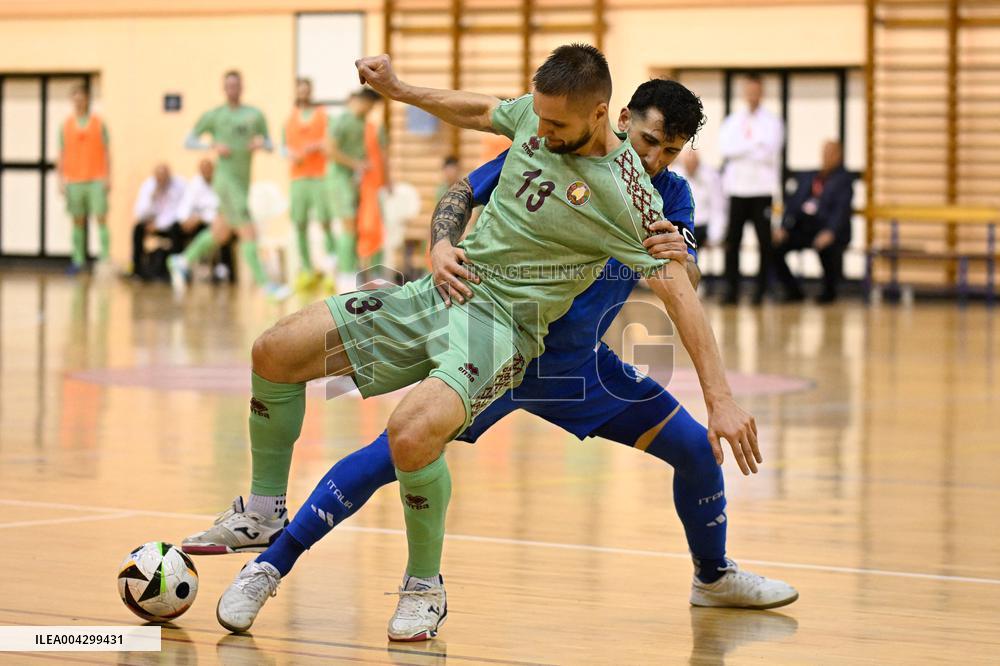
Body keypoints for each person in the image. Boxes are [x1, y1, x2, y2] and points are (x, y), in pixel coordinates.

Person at [198, 45, 789, 640]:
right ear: (619, 117)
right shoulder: (543, 130)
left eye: (670, 148)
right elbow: (470, 154)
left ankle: (712, 577)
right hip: (486, 328)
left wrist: (717, 386)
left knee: (694, 450)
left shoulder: (653, 200)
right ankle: (271, 546)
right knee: (387, 441)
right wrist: (402, 99)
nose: (656, 156)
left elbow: (682, 287)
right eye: (649, 138)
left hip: (575, 367)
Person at [169, 70, 290, 301]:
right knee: (248, 231)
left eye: (236, 85)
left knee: (221, 232)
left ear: (241, 87)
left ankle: (181, 260)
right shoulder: (215, 116)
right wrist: (213, 145)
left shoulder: (254, 115)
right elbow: (189, 141)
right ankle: (266, 286)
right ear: (223, 89)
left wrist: (260, 144)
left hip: (243, 180)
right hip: (225, 181)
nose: (232, 89)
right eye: (228, 86)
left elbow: (269, 143)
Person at [718, 74, 784, 304]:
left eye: (757, 91)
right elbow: (726, 148)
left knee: (764, 242)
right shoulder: (733, 121)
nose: (753, 96)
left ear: (762, 93)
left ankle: (762, 290)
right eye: (749, 91)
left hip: (762, 190)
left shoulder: (772, 122)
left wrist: (743, 148)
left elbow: (769, 151)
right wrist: (753, 146)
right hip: (737, 189)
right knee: (732, 241)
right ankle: (731, 289)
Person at [773, 140, 854, 303]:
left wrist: (830, 232)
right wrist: (783, 227)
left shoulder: (843, 180)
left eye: (831, 153)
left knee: (828, 247)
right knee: (775, 246)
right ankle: (793, 290)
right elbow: (793, 204)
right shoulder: (810, 177)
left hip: (826, 228)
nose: (826, 157)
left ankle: (829, 292)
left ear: (839, 156)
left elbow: (841, 210)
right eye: (824, 152)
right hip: (804, 226)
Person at [326, 87, 383, 291]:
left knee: (359, 227)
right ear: (363, 102)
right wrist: (355, 165)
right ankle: (344, 275)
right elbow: (330, 150)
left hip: (354, 181)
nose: (371, 111)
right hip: (339, 180)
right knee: (348, 227)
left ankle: (358, 273)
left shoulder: (363, 124)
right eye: (371, 106)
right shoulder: (342, 120)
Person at [283, 78, 336, 293]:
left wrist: (319, 144)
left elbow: (332, 142)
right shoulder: (290, 119)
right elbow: (282, 147)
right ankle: (306, 269)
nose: (303, 94)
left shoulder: (323, 116)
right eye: (299, 90)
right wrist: (290, 154)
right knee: (300, 223)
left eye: (306, 90)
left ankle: (332, 268)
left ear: (310, 92)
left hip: (319, 176)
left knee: (325, 221)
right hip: (298, 177)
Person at [57, 85, 111, 275]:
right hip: (74, 179)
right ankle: (77, 260)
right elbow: (61, 154)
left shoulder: (98, 122)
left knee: (101, 218)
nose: (79, 102)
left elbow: (106, 151)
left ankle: (105, 258)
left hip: (96, 177)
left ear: (88, 100)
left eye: (82, 98)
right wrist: (60, 179)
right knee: (77, 221)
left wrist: (108, 176)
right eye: (75, 99)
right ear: (72, 101)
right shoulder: (66, 125)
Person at [131, 163, 186, 281]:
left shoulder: (179, 185)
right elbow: (140, 212)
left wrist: (159, 224)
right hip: (153, 223)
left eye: (164, 176)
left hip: (171, 225)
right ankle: (137, 270)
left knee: (177, 230)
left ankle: (173, 270)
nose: (161, 180)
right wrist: (153, 197)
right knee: (138, 228)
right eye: (158, 177)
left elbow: (179, 212)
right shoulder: (148, 185)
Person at [674, 148, 726, 250]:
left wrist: (714, 236)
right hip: (681, 225)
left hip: (702, 226)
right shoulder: (676, 175)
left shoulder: (710, 176)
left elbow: (717, 207)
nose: (690, 168)